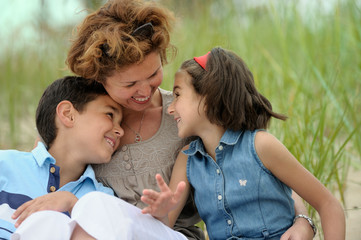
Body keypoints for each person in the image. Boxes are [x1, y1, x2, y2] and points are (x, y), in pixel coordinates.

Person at [65, 0, 315, 239]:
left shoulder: (187, 114)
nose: (144, 91)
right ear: (99, 79)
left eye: (153, 73)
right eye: (130, 84)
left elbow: (258, 171)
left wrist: (303, 219)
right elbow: (49, 169)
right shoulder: (83, 120)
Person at [140, 47, 346, 240]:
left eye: (177, 95)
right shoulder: (187, 159)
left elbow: (328, 204)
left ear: (210, 96)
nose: (170, 108)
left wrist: (304, 221)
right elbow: (165, 228)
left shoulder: (260, 146)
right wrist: (161, 213)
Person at [0, 76, 123, 239]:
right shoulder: (5, 165)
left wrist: (74, 205)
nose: (120, 131)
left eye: (121, 123)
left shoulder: (102, 198)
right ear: (68, 114)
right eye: (109, 115)